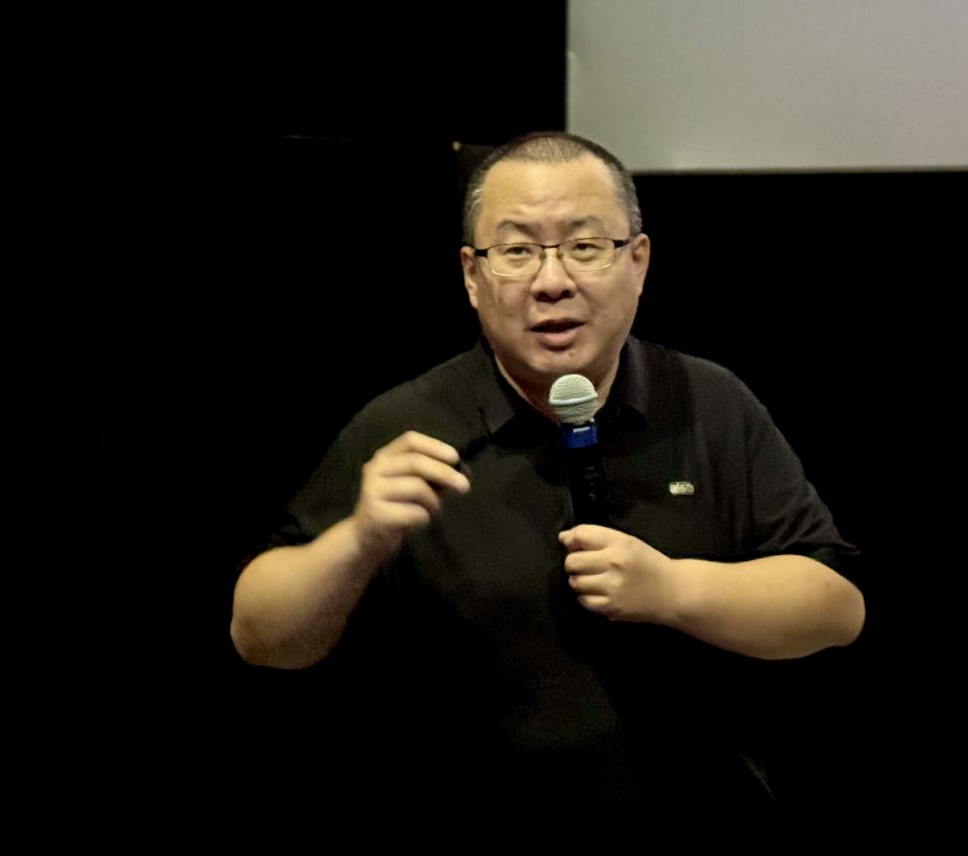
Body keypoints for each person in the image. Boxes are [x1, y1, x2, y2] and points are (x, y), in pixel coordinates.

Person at [230, 131, 864, 819]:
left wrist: (674, 588)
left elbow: (836, 609)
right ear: (472, 276)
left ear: (638, 262)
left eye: (585, 247)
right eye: (517, 252)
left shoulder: (708, 403)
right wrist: (356, 541)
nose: (552, 281)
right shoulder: (404, 425)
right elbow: (258, 636)